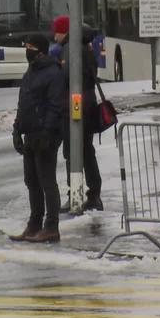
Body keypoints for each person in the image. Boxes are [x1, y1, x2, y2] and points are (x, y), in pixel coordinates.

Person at [10, 34, 66, 243]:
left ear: (41, 50)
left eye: (30, 46)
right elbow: (24, 101)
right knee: (31, 180)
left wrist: (47, 132)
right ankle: (34, 224)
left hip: (46, 136)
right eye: (26, 46)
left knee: (46, 181)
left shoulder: (53, 73)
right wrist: (17, 129)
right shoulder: (31, 71)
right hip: (30, 134)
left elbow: (55, 105)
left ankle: (51, 226)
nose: (27, 49)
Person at [51, 14, 103, 212]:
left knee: (72, 151)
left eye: (56, 30)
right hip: (87, 103)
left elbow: (65, 78)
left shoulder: (69, 49)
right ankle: (93, 193)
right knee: (86, 151)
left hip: (74, 106)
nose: (53, 34)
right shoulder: (84, 48)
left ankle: (76, 194)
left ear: (63, 31)